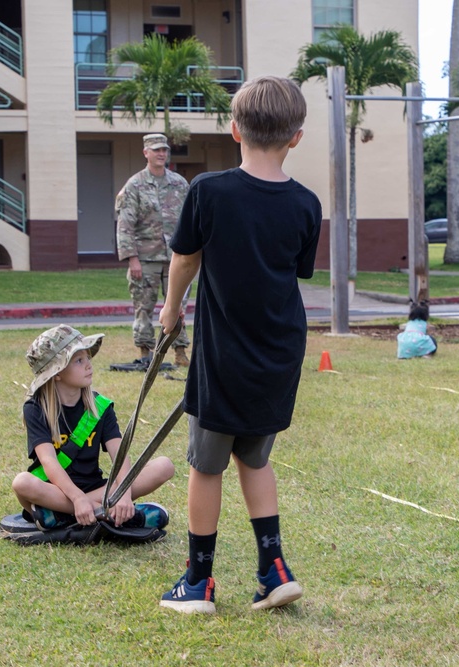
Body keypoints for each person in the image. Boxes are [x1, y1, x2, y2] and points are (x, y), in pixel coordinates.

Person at [156, 76, 321, 614]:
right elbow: (294, 272)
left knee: (207, 464)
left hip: (223, 353)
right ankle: (273, 570)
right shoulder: (305, 204)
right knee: (255, 457)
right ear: (296, 137)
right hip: (279, 352)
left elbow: (185, 258)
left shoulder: (208, 190)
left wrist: (171, 306)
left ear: (233, 130)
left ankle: (198, 582)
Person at [11, 324, 175, 531]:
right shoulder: (36, 408)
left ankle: (64, 514)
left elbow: (120, 454)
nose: (89, 365)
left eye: (87, 358)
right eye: (79, 360)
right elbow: (49, 462)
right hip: (57, 490)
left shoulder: (99, 407)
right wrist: (77, 498)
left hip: (100, 489)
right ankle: (111, 513)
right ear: (57, 372)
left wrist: (123, 493)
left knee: (164, 466)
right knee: (23, 483)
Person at [115, 133, 192, 367]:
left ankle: (180, 352)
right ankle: (146, 354)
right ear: (145, 153)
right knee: (143, 307)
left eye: (164, 150)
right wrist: (132, 259)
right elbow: (125, 224)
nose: (161, 154)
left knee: (178, 306)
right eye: (156, 150)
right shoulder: (135, 185)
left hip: (176, 257)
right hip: (145, 258)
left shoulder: (179, 183)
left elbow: (190, 220)